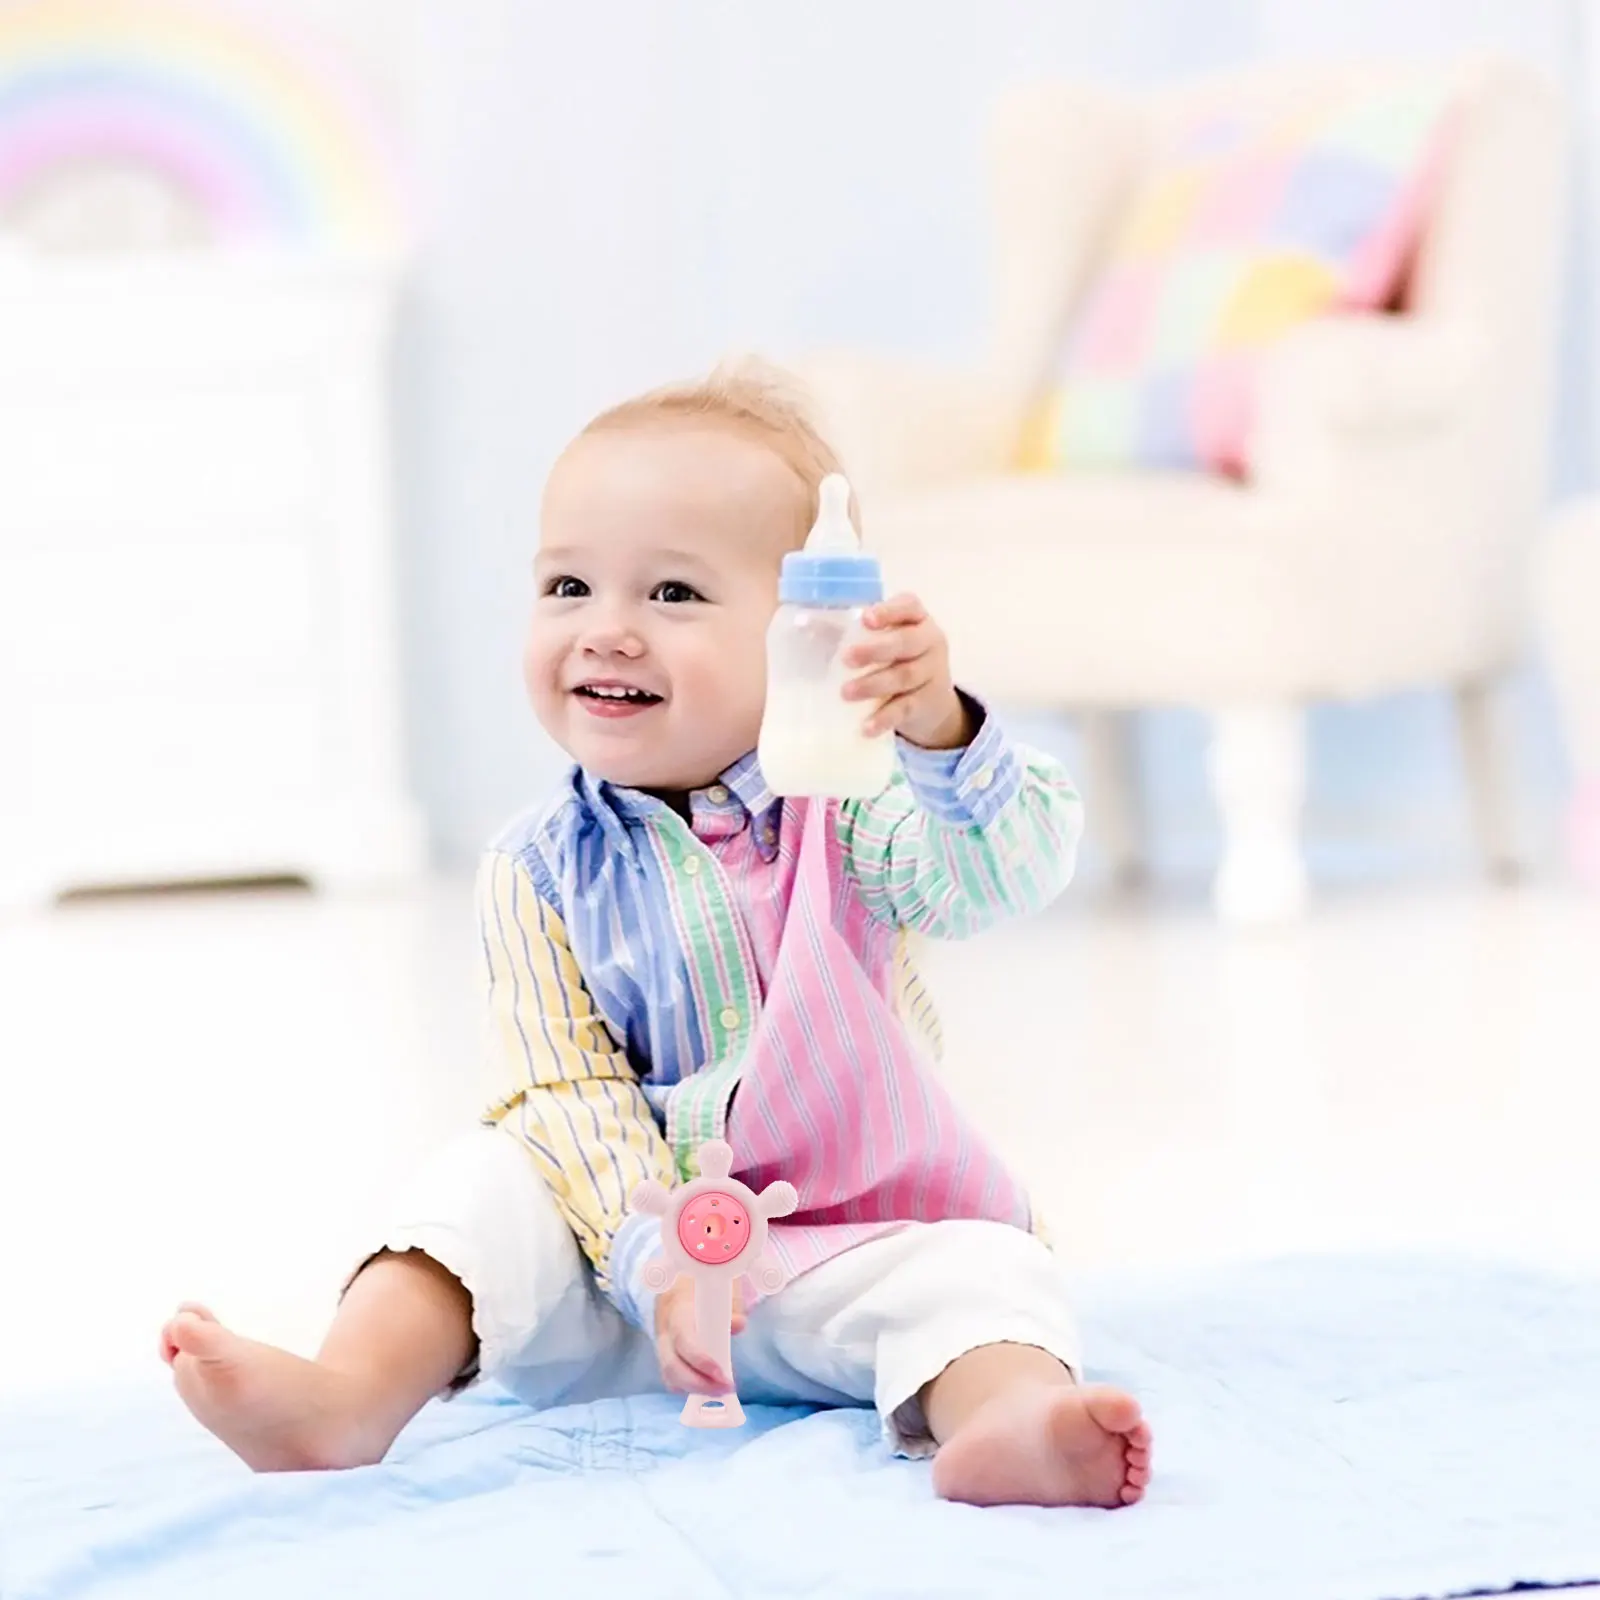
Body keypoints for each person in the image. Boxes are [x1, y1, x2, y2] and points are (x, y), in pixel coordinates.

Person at [160, 360, 1152, 1509]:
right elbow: (561, 1090)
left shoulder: (857, 805)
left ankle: (1007, 1424)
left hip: (845, 1260)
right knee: (482, 1174)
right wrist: (655, 1261)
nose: (608, 632)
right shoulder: (536, 867)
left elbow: (997, 874)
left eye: (673, 595)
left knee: (989, 1271)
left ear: (809, 638)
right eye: (569, 585)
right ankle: (347, 1393)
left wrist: (937, 734)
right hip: (621, 1288)